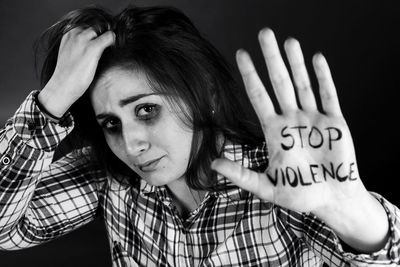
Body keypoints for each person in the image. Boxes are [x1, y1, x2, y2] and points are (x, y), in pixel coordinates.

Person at [0, 5, 399, 266]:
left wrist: (350, 209)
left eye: (146, 109)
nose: (131, 143)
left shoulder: (284, 185)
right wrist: (52, 100)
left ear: (204, 94)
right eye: (110, 123)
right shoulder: (111, 179)